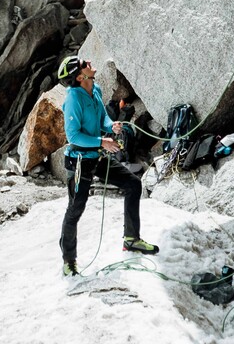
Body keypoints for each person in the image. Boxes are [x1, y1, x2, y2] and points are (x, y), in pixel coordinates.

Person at [58, 55, 159, 277]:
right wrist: (101, 141)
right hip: (80, 162)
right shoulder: (73, 99)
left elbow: (102, 117)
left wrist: (110, 126)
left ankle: (131, 239)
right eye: (84, 64)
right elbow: (73, 135)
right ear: (79, 76)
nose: (89, 62)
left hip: (97, 156)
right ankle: (69, 261)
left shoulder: (94, 89)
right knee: (76, 208)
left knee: (133, 184)